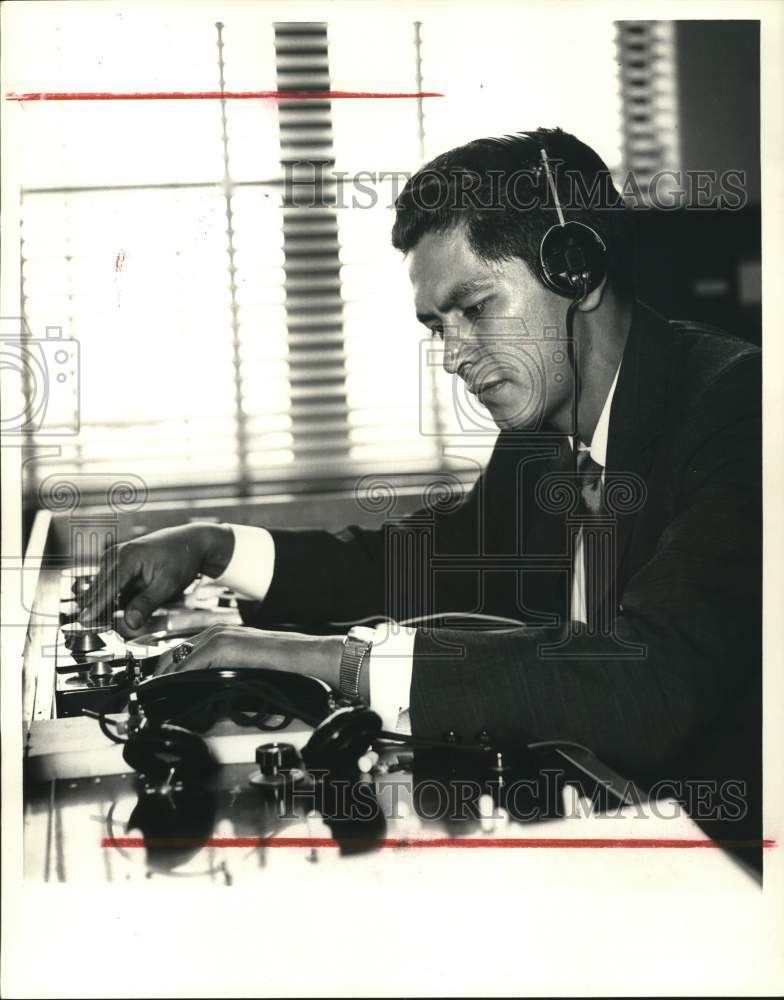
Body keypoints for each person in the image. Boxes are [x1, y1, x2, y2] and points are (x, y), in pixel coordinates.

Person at [81, 128, 761, 854]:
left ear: (576, 271)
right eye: (438, 326)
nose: (453, 356)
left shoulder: (742, 409)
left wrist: (334, 661)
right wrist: (218, 547)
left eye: (476, 307)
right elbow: (429, 563)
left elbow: (654, 679)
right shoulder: (543, 432)